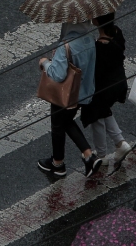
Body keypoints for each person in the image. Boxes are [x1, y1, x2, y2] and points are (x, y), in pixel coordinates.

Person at [37, 20, 102, 177]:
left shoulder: (66, 45)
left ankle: (58, 164)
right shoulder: (90, 39)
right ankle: (88, 156)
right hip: (82, 93)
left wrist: (45, 63)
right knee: (66, 122)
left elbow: (57, 75)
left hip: (65, 94)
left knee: (57, 125)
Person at [81, 12, 131, 166]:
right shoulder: (116, 32)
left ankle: (102, 155)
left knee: (95, 115)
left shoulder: (100, 47)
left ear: (97, 20)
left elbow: (93, 71)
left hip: (104, 88)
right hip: (118, 82)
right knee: (103, 111)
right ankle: (120, 143)